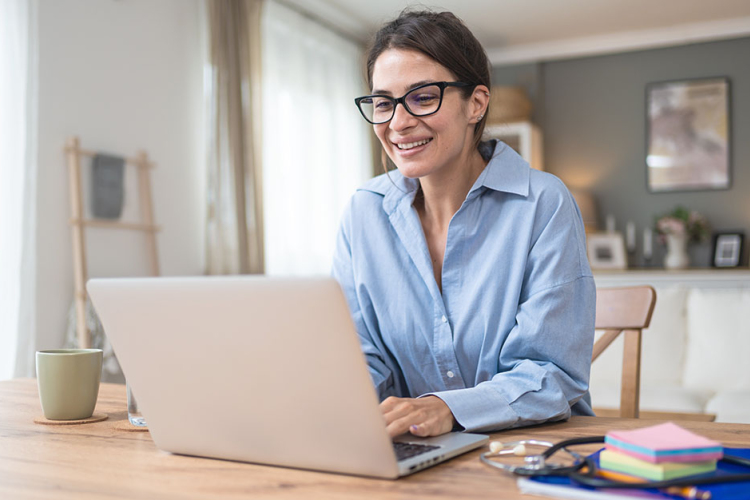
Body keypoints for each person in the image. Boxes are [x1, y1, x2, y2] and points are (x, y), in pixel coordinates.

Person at [332, 9, 595, 439]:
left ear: (476, 103)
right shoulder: (364, 212)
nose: (398, 122)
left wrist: (447, 408)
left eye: (423, 96)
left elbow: (552, 373)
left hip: (532, 449)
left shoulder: (542, 203)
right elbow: (360, 357)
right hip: (416, 449)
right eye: (384, 103)